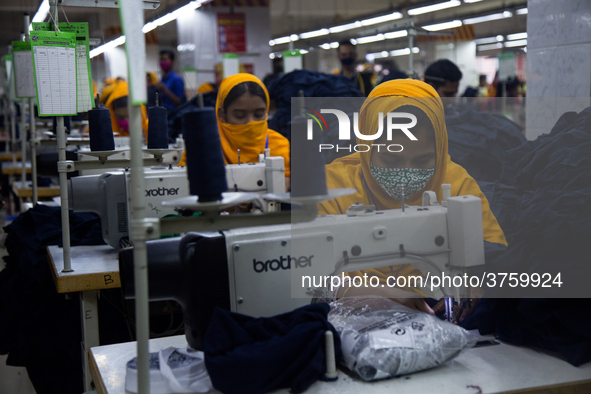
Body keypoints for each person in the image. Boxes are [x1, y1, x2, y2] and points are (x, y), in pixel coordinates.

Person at [318, 79, 507, 315]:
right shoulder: (331, 186)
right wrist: (352, 291)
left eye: (422, 161)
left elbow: (494, 258)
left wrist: (477, 286)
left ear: (439, 149)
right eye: (390, 160)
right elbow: (306, 272)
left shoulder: (457, 183)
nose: (405, 174)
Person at [179, 73, 290, 181]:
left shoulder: (279, 145)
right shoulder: (202, 147)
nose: (250, 122)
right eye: (240, 116)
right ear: (222, 114)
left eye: (259, 114)